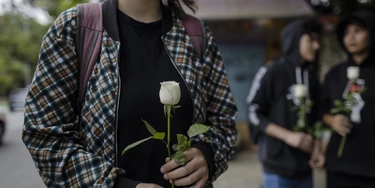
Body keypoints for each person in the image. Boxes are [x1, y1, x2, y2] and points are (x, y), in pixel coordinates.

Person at [21, 0, 238, 187]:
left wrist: (207, 154)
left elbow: (224, 123)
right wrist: (115, 185)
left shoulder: (196, 34)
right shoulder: (75, 29)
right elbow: (44, 136)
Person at [246, 19, 322, 188]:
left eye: (317, 41)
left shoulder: (312, 78)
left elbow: (316, 116)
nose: (316, 46)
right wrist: (288, 136)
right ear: (295, 40)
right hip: (277, 167)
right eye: (311, 40)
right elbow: (253, 111)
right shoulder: (272, 71)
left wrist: (317, 147)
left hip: (305, 167)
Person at [318, 10, 375, 187]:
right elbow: (320, 109)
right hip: (339, 166)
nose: (351, 37)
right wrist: (332, 120)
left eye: (358, 31)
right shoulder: (334, 74)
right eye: (346, 33)